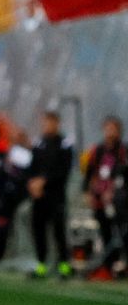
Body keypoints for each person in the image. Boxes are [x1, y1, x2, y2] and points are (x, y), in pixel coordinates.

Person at [26, 110, 74, 279]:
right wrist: (32, 183)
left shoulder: (64, 144)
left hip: (56, 195)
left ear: (57, 123)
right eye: (45, 122)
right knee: (38, 230)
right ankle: (41, 266)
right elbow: (31, 167)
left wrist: (44, 181)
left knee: (58, 231)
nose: (47, 125)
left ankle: (64, 267)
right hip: (39, 197)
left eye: (50, 122)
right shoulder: (39, 143)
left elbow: (64, 171)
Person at [83, 116, 128, 280]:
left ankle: (122, 265)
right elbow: (89, 173)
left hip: (119, 201)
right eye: (107, 128)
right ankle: (109, 268)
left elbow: (122, 173)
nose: (110, 132)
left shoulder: (122, 150)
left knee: (122, 233)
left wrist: (114, 191)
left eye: (113, 129)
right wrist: (88, 192)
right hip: (99, 200)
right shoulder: (97, 150)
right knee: (105, 233)